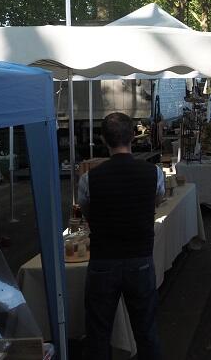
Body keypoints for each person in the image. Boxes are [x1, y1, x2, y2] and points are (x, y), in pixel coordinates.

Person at [78, 112, 164, 360]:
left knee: (98, 332)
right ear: (133, 137)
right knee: (146, 330)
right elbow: (155, 202)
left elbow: (87, 211)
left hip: (103, 260)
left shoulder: (88, 179)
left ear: (104, 139)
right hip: (140, 258)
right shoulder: (154, 173)